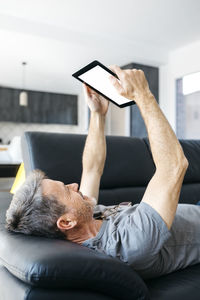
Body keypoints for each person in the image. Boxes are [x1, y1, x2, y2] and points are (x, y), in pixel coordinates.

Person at [6, 65, 200, 280]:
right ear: (66, 222)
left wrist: (97, 114)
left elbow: (92, 169)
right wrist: (144, 95)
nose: (74, 186)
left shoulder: (87, 219)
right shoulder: (129, 244)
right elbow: (173, 166)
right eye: (66, 190)